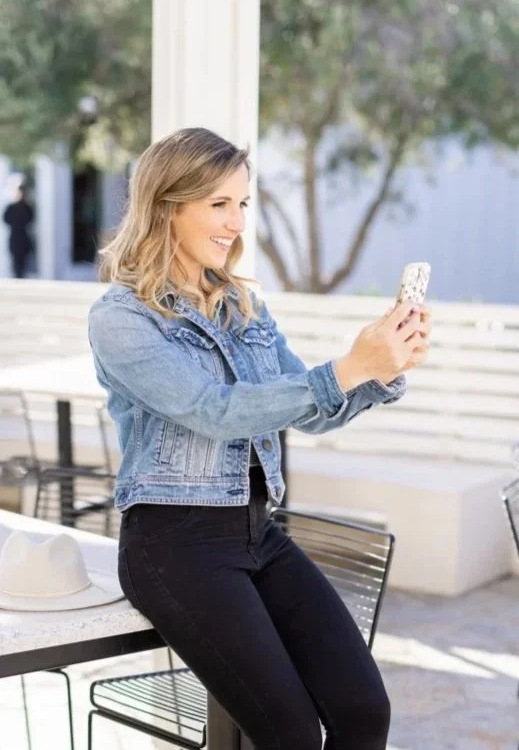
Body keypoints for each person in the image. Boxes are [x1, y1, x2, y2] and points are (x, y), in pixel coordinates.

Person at [88, 127, 431, 750]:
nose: (236, 222)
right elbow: (215, 410)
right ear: (169, 206)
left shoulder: (242, 305)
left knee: (363, 709)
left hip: (256, 534)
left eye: (243, 204)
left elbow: (307, 408)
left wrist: (381, 369)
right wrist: (349, 367)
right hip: (173, 545)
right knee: (290, 733)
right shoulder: (122, 318)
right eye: (219, 203)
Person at [3, 185, 34, 278]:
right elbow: (5, 219)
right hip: (15, 236)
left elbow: (31, 219)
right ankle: (17, 275)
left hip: (23, 237)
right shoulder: (11, 207)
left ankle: (21, 275)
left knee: (23, 260)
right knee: (15, 260)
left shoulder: (27, 207)